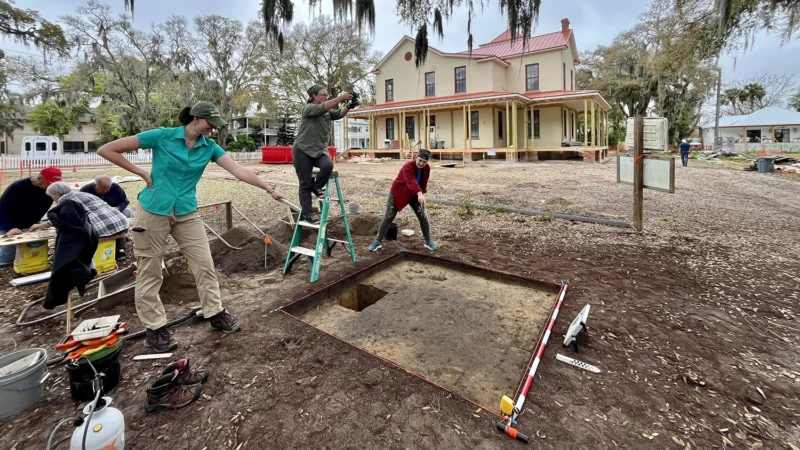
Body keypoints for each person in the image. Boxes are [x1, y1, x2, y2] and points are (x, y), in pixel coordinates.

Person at [97, 101, 286, 352]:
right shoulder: (162, 136)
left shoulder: (209, 147)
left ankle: (214, 312)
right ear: (196, 118)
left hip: (186, 211)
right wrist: (142, 173)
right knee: (150, 270)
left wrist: (269, 189)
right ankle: (155, 329)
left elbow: (239, 170)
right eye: (210, 123)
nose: (213, 129)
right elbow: (107, 149)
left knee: (204, 263)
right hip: (153, 210)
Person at [37, 182, 129, 309]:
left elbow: (67, 219)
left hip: (105, 228)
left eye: (52, 197)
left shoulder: (65, 200)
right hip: (121, 223)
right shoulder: (82, 194)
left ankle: (82, 269)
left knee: (76, 241)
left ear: (56, 194)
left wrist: (42, 225)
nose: (53, 200)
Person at [293, 85, 354, 223]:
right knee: (305, 183)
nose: (326, 97)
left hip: (319, 149)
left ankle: (317, 186)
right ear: (314, 96)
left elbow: (338, 114)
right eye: (323, 95)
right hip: (302, 150)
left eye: (327, 95)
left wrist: (349, 105)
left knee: (328, 165)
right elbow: (323, 107)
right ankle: (308, 214)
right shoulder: (308, 108)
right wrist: (342, 97)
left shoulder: (326, 112)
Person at [368, 149, 438, 252]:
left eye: (424, 162)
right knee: (389, 217)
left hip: (414, 194)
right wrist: (419, 193)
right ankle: (377, 242)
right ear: (416, 158)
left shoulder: (426, 168)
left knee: (423, 216)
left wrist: (421, 194)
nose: (421, 163)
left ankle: (428, 241)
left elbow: (423, 182)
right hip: (399, 193)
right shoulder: (408, 167)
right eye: (420, 160)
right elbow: (411, 181)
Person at [0, 166, 62, 266]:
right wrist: (9, 228)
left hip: (32, 224)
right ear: (40, 178)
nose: (52, 186)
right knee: (8, 259)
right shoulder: (17, 187)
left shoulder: (52, 190)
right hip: (10, 224)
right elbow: (1, 209)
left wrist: (44, 223)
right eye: (50, 183)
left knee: (33, 253)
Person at [80, 176, 132, 258]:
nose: (106, 191)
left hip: (114, 211)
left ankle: (122, 239)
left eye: (108, 188)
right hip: (96, 214)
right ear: (95, 185)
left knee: (127, 212)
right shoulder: (85, 190)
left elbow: (125, 201)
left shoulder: (116, 187)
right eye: (103, 189)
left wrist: (118, 209)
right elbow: (81, 206)